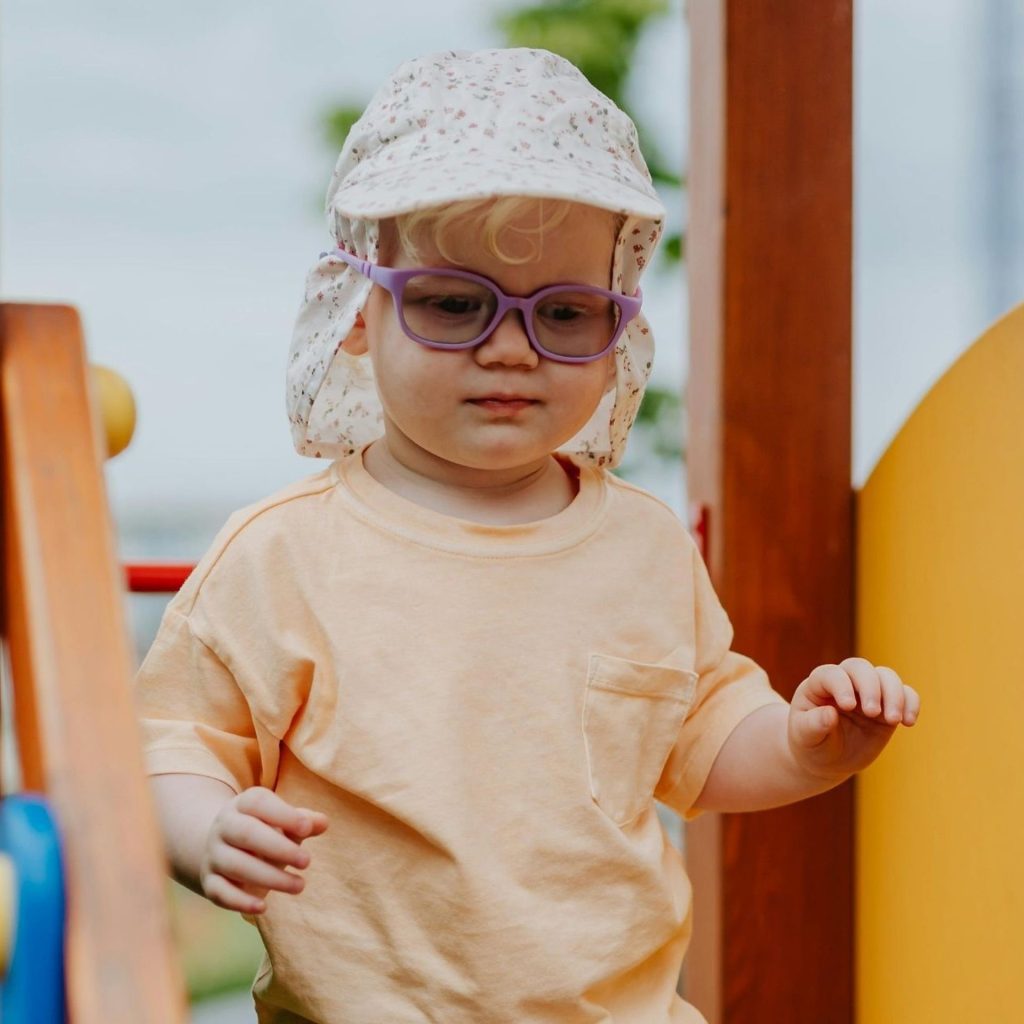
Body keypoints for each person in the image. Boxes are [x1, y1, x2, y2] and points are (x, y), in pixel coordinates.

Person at [135, 48, 920, 1024]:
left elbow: (701, 742)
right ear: (356, 313)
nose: (510, 345)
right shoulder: (281, 556)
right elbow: (167, 744)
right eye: (454, 304)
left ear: (619, 329)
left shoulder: (641, 545)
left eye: (564, 311)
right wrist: (205, 829)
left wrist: (807, 747)